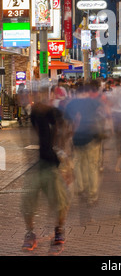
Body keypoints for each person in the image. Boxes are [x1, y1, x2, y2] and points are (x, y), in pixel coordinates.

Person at [21, 87, 71, 254]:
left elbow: (65, 131)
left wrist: (63, 156)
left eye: (41, 96)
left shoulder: (54, 113)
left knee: (61, 202)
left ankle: (58, 231)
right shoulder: (33, 114)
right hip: (37, 165)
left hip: (52, 164)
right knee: (27, 201)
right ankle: (30, 233)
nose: (37, 99)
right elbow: (32, 135)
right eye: (35, 96)